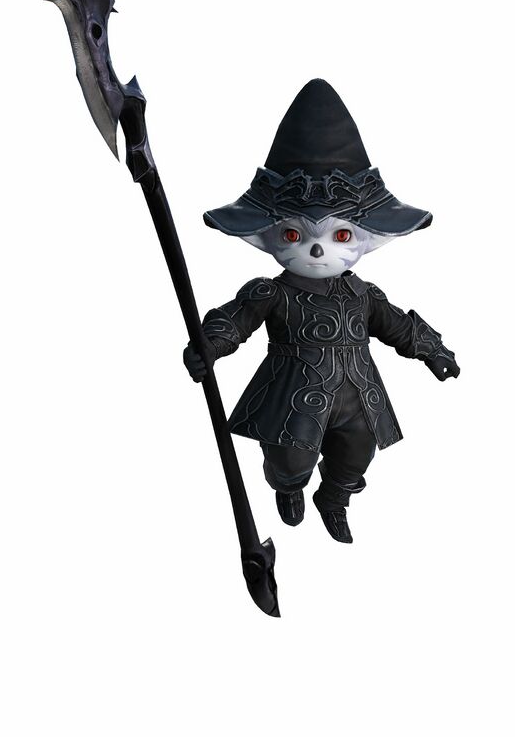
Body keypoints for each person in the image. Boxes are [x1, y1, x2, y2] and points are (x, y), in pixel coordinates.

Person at [183, 80, 458, 543]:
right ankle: (289, 486)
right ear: (268, 235)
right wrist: (209, 345)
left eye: (340, 235)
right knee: (289, 458)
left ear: (368, 238)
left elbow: (396, 326)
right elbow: (236, 320)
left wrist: (433, 350)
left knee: (356, 454)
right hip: (292, 394)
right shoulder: (271, 292)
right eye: (295, 235)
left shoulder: (364, 295)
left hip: (359, 392)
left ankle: (334, 497)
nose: (317, 249)